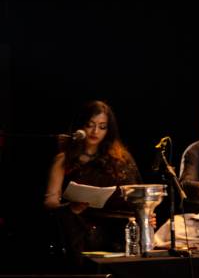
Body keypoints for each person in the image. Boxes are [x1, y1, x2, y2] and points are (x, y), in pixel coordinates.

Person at [43, 100, 142, 257]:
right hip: (78, 231)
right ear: (80, 126)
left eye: (102, 127)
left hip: (115, 232)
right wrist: (70, 208)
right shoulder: (64, 159)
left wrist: (144, 214)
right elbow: (50, 202)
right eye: (90, 125)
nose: (95, 131)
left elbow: (135, 196)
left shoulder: (121, 160)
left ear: (108, 130)